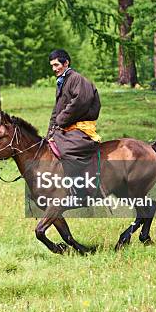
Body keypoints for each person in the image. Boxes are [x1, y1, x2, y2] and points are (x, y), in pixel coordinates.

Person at [47, 49, 101, 202]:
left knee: (66, 150)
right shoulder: (62, 82)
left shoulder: (77, 79)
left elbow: (79, 104)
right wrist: (49, 134)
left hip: (81, 129)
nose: (54, 69)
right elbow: (56, 111)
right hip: (68, 127)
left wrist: (60, 121)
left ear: (66, 63)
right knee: (51, 147)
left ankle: (80, 190)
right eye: (52, 66)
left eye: (56, 65)